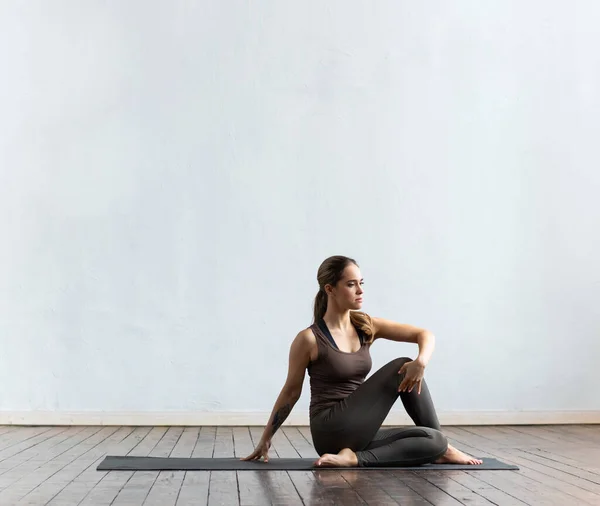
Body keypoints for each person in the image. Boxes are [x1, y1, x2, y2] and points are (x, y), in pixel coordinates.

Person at [243, 255, 482, 467]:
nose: (360, 290)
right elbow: (291, 392)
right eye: (351, 284)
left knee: (434, 439)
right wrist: (266, 438)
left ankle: (358, 457)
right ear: (330, 289)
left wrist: (422, 361)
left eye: (361, 283)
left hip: (358, 431)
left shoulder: (365, 325)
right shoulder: (309, 339)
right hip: (330, 429)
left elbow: (424, 335)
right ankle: (445, 450)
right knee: (402, 365)